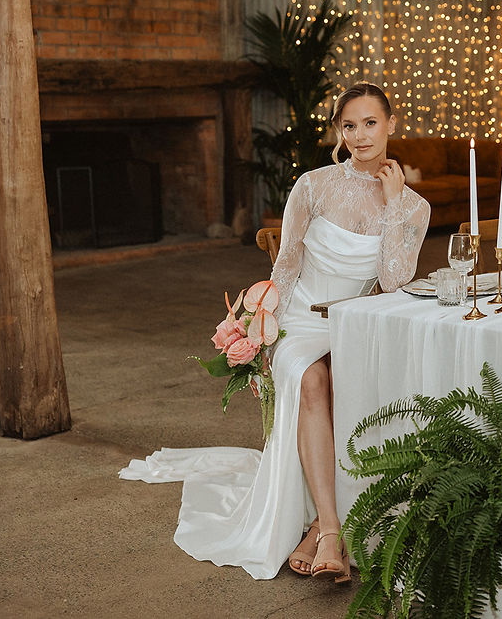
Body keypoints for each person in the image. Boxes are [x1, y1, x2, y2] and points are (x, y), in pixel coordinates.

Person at [119, 82, 430, 581]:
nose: (360, 135)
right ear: (339, 131)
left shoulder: (414, 207)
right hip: (301, 321)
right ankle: (330, 528)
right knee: (312, 379)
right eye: (349, 125)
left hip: (354, 326)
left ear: (391, 124)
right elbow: (285, 266)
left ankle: (320, 524)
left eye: (371, 123)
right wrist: (264, 335)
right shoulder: (313, 185)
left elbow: (394, 280)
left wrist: (393, 203)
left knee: (368, 382)